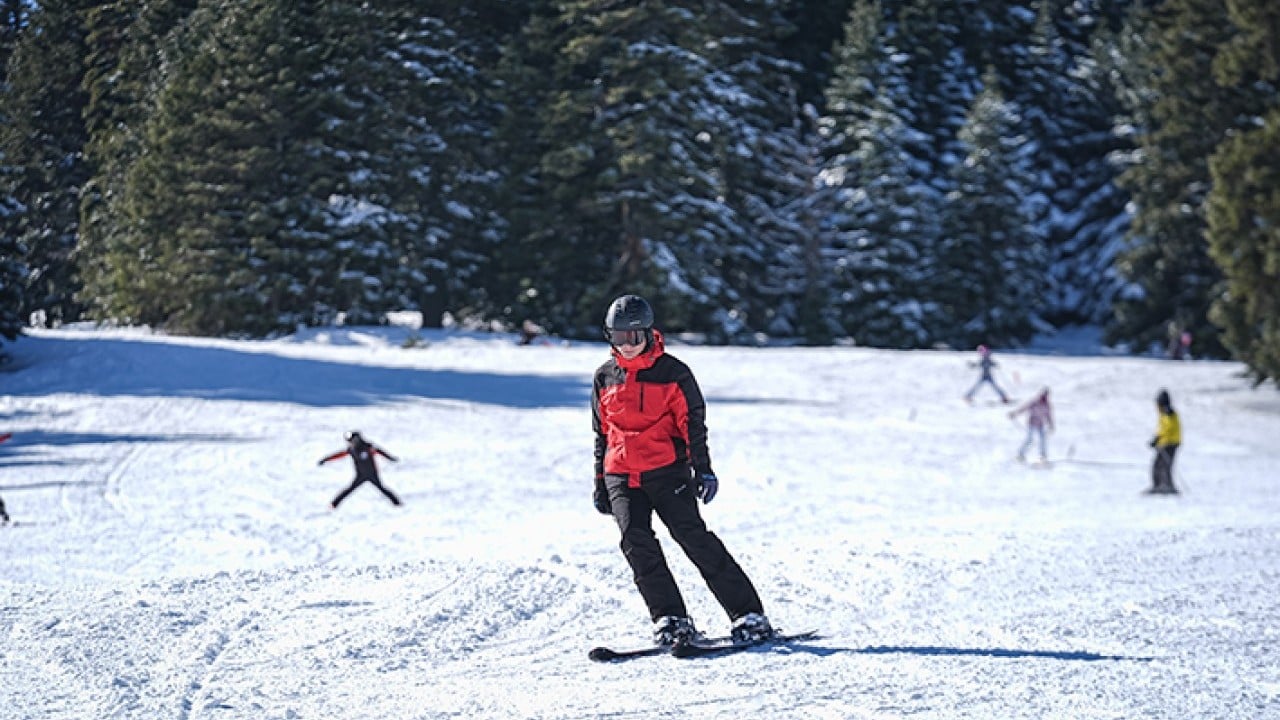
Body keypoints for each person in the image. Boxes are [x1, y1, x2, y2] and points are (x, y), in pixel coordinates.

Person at [591, 294, 772, 647]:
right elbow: (602, 433)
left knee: (693, 538)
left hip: (666, 470)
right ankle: (670, 618)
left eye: (634, 337)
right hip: (622, 474)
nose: (626, 346)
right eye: (618, 337)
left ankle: (748, 614)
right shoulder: (604, 377)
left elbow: (692, 424)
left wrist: (702, 470)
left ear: (648, 334)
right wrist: (600, 482)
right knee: (636, 543)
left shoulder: (674, 373)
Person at [317, 431, 403, 509]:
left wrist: (390, 458)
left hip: (372, 473)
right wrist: (326, 459)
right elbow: (339, 454)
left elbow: (379, 452)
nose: (350, 443)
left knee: (382, 488)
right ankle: (334, 504)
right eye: (349, 441)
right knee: (350, 489)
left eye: (351, 441)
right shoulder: (352, 450)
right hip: (360, 475)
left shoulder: (368, 447)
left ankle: (397, 503)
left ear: (357, 439)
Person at [1148, 390, 1181, 494]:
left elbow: (1168, 428)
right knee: (1158, 465)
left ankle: (1167, 485)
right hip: (1165, 443)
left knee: (1164, 465)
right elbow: (1163, 429)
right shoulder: (1164, 414)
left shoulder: (1168, 413)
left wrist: (1158, 439)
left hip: (1170, 443)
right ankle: (1158, 485)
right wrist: (1157, 440)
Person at [1009, 387, 1054, 463]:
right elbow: (1024, 408)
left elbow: (1049, 416)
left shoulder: (1047, 405)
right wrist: (1014, 413)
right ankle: (1020, 455)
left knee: (1043, 439)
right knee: (1030, 439)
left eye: (1046, 396)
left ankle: (1043, 456)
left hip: (1040, 424)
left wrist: (1051, 425)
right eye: (1043, 395)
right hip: (1032, 423)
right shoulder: (1035, 402)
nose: (1044, 397)